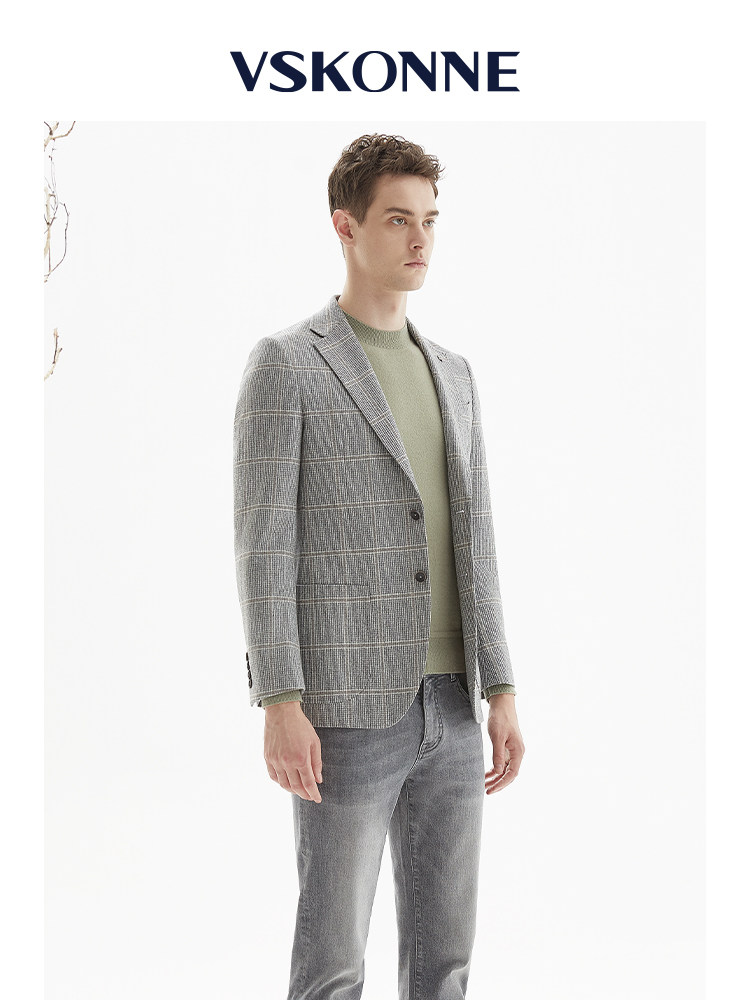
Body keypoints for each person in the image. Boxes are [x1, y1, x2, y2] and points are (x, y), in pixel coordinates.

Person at [233, 133, 525, 1000]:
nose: (420, 238)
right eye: (398, 219)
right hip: (344, 711)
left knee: (446, 966)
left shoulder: (455, 374)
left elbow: (477, 539)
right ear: (346, 226)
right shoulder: (288, 364)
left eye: (430, 219)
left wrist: (502, 686)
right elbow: (262, 547)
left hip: (454, 705)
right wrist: (280, 700)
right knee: (332, 967)